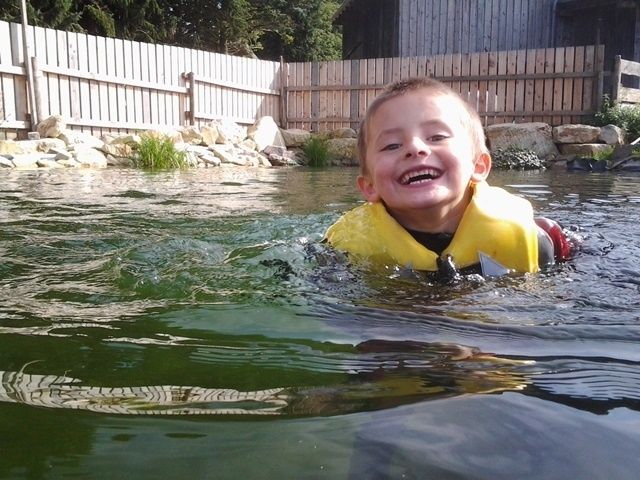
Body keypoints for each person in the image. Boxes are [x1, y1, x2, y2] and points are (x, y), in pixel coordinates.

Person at [324, 78, 574, 277]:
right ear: (369, 187)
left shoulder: (537, 241)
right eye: (391, 145)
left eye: (437, 137)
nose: (415, 148)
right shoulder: (343, 251)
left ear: (478, 165)